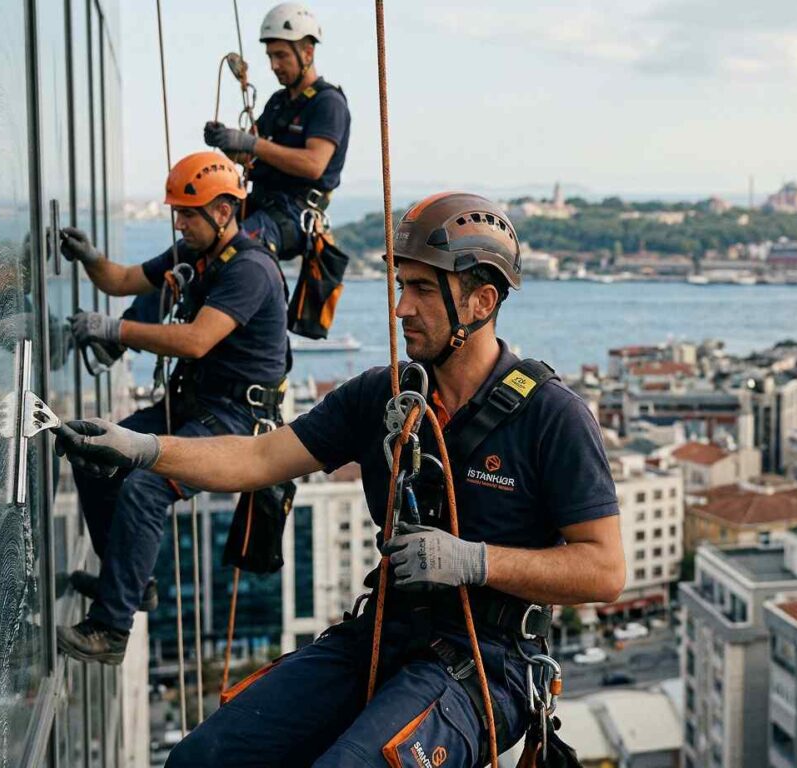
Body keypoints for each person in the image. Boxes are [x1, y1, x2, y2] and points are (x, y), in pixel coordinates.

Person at [55, 192, 625, 765]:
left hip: (485, 667)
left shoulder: (550, 416)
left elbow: (604, 570)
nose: (402, 309)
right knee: (200, 759)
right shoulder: (382, 396)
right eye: (403, 287)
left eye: (423, 290)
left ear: (481, 301)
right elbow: (258, 459)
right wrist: (142, 449)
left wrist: (475, 561)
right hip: (384, 633)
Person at [55, 151, 290, 664]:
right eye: (178, 214)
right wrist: (90, 257)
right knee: (91, 448)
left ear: (224, 212)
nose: (180, 224)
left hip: (235, 421)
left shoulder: (250, 270)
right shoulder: (194, 256)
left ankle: (111, 631)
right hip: (194, 407)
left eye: (189, 214)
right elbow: (120, 281)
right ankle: (132, 584)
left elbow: (197, 341)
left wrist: (114, 329)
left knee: (144, 483)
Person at [204, 2, 351, 260]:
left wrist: (250, 143)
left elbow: (313, 164)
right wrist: (226, 142)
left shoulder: (328, 103)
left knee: (235, 252)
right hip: (260, 202)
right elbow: (247, 157)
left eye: (281, 55)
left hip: (294, 214)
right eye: (270, 56)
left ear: (307, 53)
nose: (273, 65)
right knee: (201, 234)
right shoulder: (278, 103)